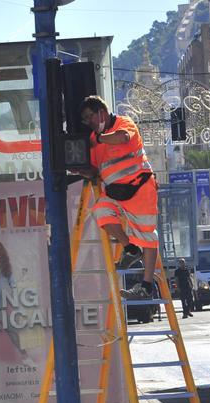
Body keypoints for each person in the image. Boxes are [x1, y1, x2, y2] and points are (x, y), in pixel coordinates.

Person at [79, 96, 158, 300]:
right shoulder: (95, 141)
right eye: (86, 119)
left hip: (140, 188)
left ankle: (146, 286)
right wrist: (76, 167)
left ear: (101, 113)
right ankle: (130, 249)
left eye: (90, 117)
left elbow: (123, 137)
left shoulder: (123, 123)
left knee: (148, 237)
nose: (89, 122)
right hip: (116, 194)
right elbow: (95, 169)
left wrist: (99, 138)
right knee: (101, 212)